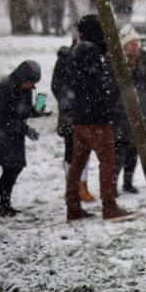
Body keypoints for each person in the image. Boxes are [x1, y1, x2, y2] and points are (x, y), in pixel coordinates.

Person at [64, 14, 134, 222]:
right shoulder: (92, 52)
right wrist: (111, 96)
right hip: (97, 118)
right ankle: (109, 206)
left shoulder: (76, 51)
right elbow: (99, 85)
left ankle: (73, 207)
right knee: (107, 162)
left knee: (77, 163)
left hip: (79, 118)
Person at [0, 60, 47, 217]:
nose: (31, 86)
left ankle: (4, 204)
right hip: (1, 134)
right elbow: (2, 117)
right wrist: (25, 129)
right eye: (30, 82)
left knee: (14, 167)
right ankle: (3, 205)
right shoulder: (3, 89)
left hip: (14, 135)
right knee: (11, 168)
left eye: (33, 84)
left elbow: (23, 111)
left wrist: (37, 110)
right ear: (22, 77)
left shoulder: (24, 89)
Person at [112, 24, 146, 194]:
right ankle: (112, 184)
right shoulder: (116, 60)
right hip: (122, 110)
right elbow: (113, 85)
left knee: (135, 148)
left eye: (136, 43)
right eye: (131, 43)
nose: (135, 46)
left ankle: (128, 182)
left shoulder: (143, 58)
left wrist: (144, 70)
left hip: (142, 109)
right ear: (124, 45)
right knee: (120, 149)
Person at [52, 31, 94, 204]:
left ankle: (82, 185)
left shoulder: (92, 59)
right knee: (71, 150)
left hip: (88, 114)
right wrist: (71, 102)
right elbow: (57, 85)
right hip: (71, 115)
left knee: (85, 150)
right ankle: (72, 187)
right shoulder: (64, 59)